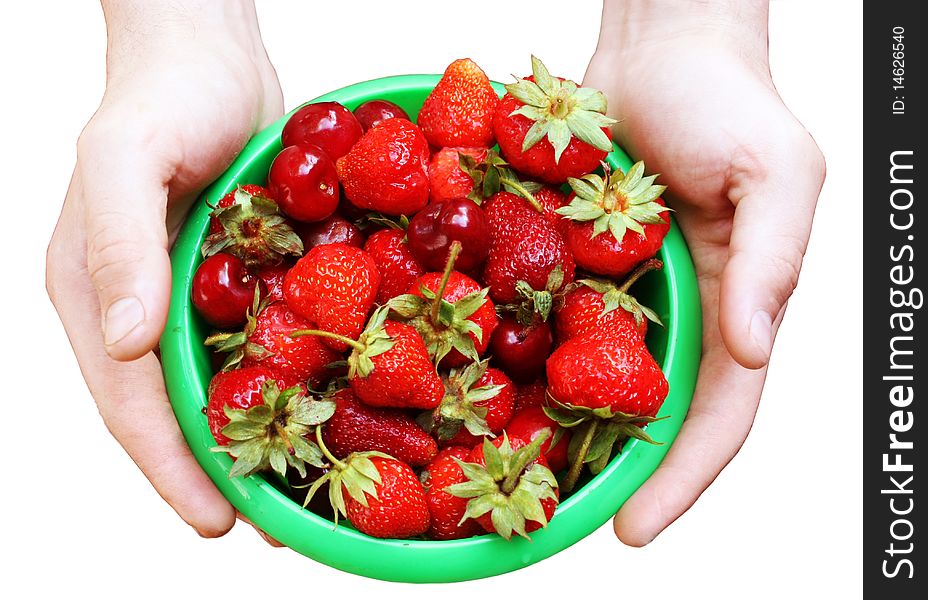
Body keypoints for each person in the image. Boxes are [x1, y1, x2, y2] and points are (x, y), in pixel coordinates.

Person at [45, 0, 824, 547]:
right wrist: (176, 44)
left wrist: (692, 30)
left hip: (437, 313)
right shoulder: (413, 302)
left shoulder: (444, 278)